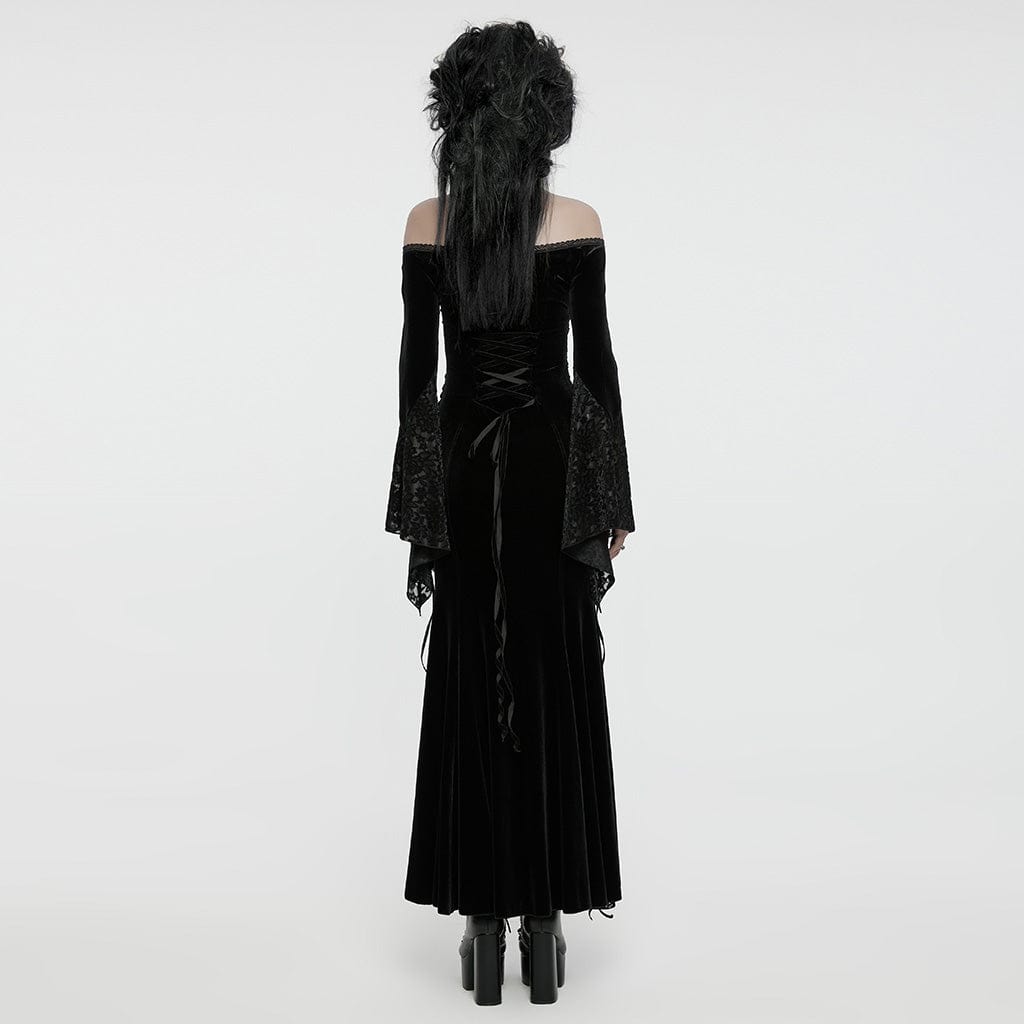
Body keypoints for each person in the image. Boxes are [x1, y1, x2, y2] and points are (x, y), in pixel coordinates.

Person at [384, 21, 636, 1005]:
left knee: (467, 671)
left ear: (457, 112)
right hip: (551, 468)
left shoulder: (427, 221)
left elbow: (417, 379)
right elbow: (596, 368)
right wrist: (611, 498)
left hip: (459, 462)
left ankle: (484, 922)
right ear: (544, 116)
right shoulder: (575, 218)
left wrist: (419, 505)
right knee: (551, 670)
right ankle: (544, 921)